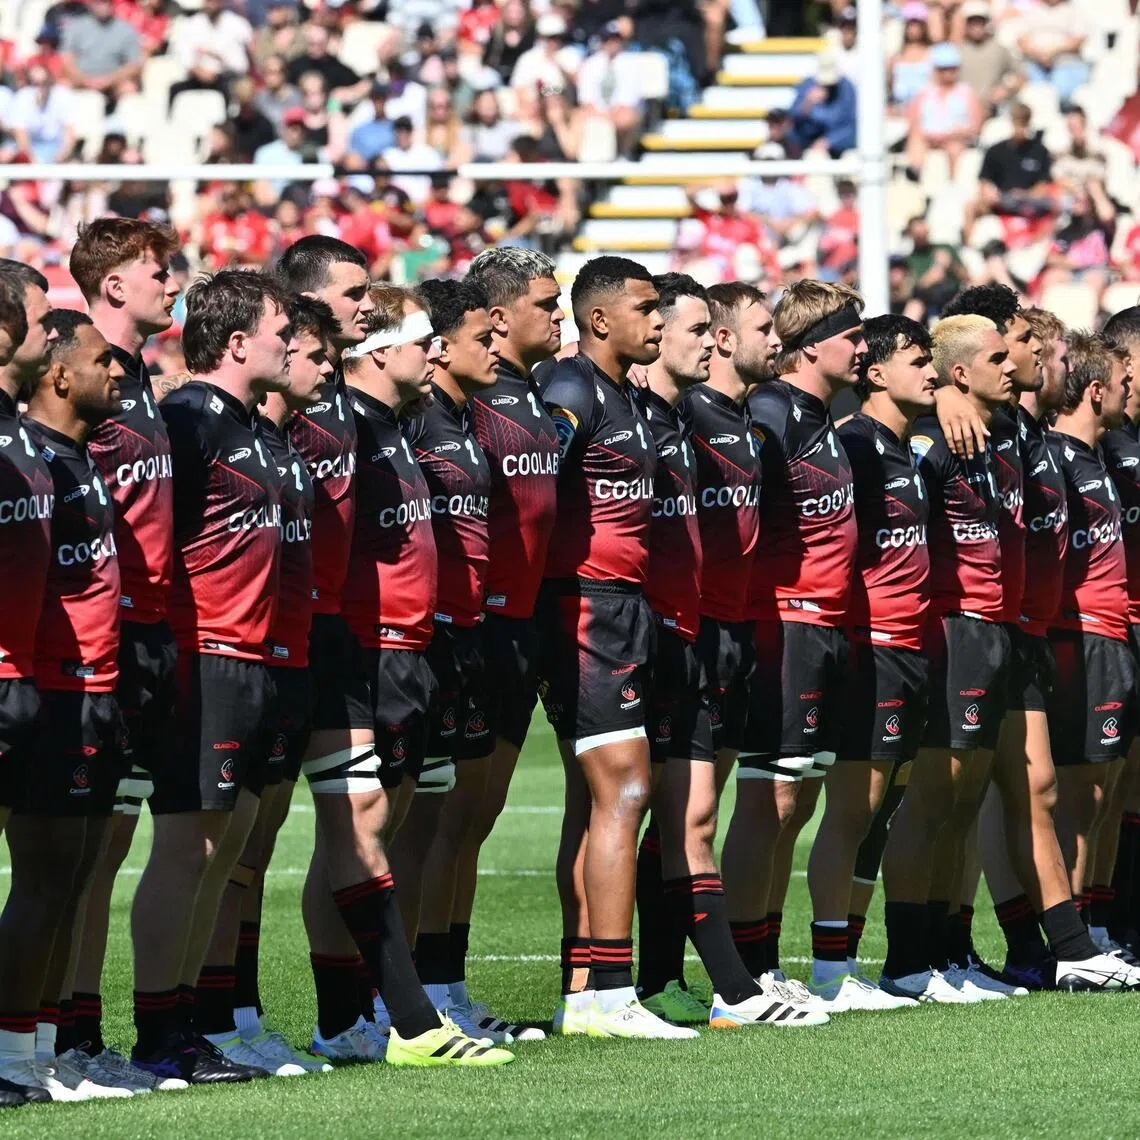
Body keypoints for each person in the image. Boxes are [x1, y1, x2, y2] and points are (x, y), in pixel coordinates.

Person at [335, 284, 513, 1066]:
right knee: (358, 829)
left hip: (421, 646)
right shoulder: (347, 427)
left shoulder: (403, 426)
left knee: (394, 823)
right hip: (365, 650)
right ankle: (354, 1015)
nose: (436, 352)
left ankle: (391, 1008)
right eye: (423, 341)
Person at [636, 273, 818, 1029]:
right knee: (686, 814)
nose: (774, 341)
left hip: (736, 635)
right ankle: (725, 987)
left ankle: (657, 979)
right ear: (717, 338)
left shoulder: (746, 426)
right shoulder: (684, 416)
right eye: (760, 327)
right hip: (687, 634)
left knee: (679, 815)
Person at [128, 270, 289, 1085]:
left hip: (251, 656)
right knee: (188, 846)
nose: (289, 341)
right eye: (278, 328)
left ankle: (186, 1022)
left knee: (222, 849)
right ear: (236, 342)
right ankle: (155, 1032)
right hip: (206, 655)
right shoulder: (188, 418)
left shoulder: (248, 423)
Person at [536, 256, 685, 1039]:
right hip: (587, 608)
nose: (657, 320)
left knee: (600, 797)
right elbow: (531, 483)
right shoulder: (570, 391)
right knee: (624, 791)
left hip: (620, 607)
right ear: (600, 320)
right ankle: (607, 993)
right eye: (646, 307)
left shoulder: (628, 395)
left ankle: (585, 984)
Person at [193, 296, 339, 1077]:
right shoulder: (197, 420)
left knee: (243, 853)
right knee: (205, 852)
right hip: (219, 657)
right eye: (301, 344)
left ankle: (229, 1016)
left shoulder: (273, 440)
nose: (313, 359)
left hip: (275, 659)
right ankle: (191, 1023)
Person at [721, 281, 863, 1016]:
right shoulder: (772, 411)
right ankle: (740, 976)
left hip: (825, 626)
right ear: (814, 346)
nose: (862, 347)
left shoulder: (819, 414)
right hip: (786, 624)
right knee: (769, 801)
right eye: (851, 335)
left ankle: (766, 965)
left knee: (796, 803)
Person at [64, 218, 181, 1092]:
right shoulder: (76, 376)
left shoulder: (138, 375)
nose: (172, 281)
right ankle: (54, 1040)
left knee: (108, 849)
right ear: (112, 286)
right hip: (90, 638)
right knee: (74, 853)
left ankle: (78, 1033)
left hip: (146, 637)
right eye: (157, 269)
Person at [3, 310, 126, 1101]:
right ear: (60, 375)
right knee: (45, 875)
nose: (115, 372)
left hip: (91, 686)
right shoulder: (31, 452)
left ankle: (41, 1051)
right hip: (49, 685)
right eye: (101, 360)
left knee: (70, 876)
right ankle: (13, 1058)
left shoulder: (65, 458)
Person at [878, 313, 1014, 1003]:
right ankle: (907, 962)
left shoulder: (993, 432)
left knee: (962, 802)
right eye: (1000, 355)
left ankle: (948, 953)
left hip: (989, 630)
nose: (1015, 364)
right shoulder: (932, 441)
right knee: (933, 798)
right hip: (950, 629)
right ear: (959, 371)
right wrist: (939, 400)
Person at [385, 279, 505, 1038]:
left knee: (440, 824)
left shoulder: (464, 418)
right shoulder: (414, 421)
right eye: (476, 337)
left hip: (464, 639)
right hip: (416, 641)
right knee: (392, 828)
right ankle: (379, 994)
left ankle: (434, 985)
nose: (490, 347)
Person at [810, 315, 939, 1012]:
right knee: (852, 810)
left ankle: (846, 963)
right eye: (918, 359)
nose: (931, 370)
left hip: (910, 647)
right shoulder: (856, 445)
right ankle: (828, 970)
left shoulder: (899, 446)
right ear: (877, 372)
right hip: (873, 647)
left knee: (882, 810)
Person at [457, 247, 563, 1039]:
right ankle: (414, 988)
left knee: (475, 818)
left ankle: (441, 983)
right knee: (446, 818)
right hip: (478, 629)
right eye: (545, 305)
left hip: (525, 628)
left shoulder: (538, 394)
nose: (554, 317)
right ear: (497, 317)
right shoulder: (466, 400)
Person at [1047, 332, 1140, 990]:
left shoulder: (1102, 452)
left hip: (1112, 636)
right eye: (1124, 376)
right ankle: (1071, 938)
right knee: (1080, 793)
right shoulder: (1056, 454)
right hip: (1079, 636)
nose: (1130, 387)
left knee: (1107, 793)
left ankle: (1097, 930)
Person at [0, 267, 57, 1106]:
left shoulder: (19, 430)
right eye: (42, 317)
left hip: (26, 677)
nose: (52, 329)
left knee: (41, 868)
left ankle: (16, 1055)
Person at [905, 41, 983, 180]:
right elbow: (913, 121)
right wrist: (928, 135)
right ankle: (915, 179)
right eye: (943, 69)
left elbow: (975, 126)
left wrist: (952, 134)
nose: (947, 73)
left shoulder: (966, 92)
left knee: (954, 148)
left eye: (951, 69)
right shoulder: (924, 92)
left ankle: (953, 185)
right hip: (928, 138)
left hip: (956, 138)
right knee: (915, 141)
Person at [787, 52, 856, 157]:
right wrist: (807, 103)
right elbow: (793, 120)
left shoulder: (847, 88)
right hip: (811, 147)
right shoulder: (807, 85)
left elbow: (852, 125)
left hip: (841, 147)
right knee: (816, 158)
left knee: (853, 159)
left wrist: (829, 141)